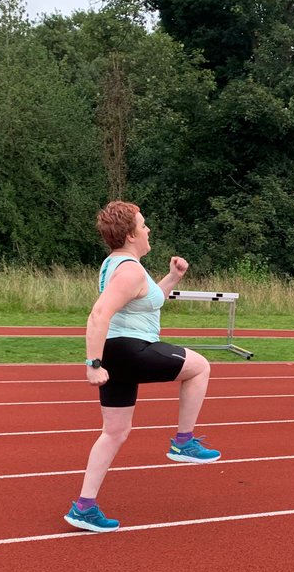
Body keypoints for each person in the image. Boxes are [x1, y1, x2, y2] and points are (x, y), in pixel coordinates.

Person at [64, 201, 221, 532]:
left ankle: (84, 506)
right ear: (132, 234)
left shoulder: (119, 265)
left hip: (118, 352)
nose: (149, 230)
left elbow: (148, 302)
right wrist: (91, 364)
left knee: (115, 432)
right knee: (200, 366)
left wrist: (173, 276)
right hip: (128, 350)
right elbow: (99, 314)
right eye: (144, 225)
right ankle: (183, 440)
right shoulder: (130, 270)